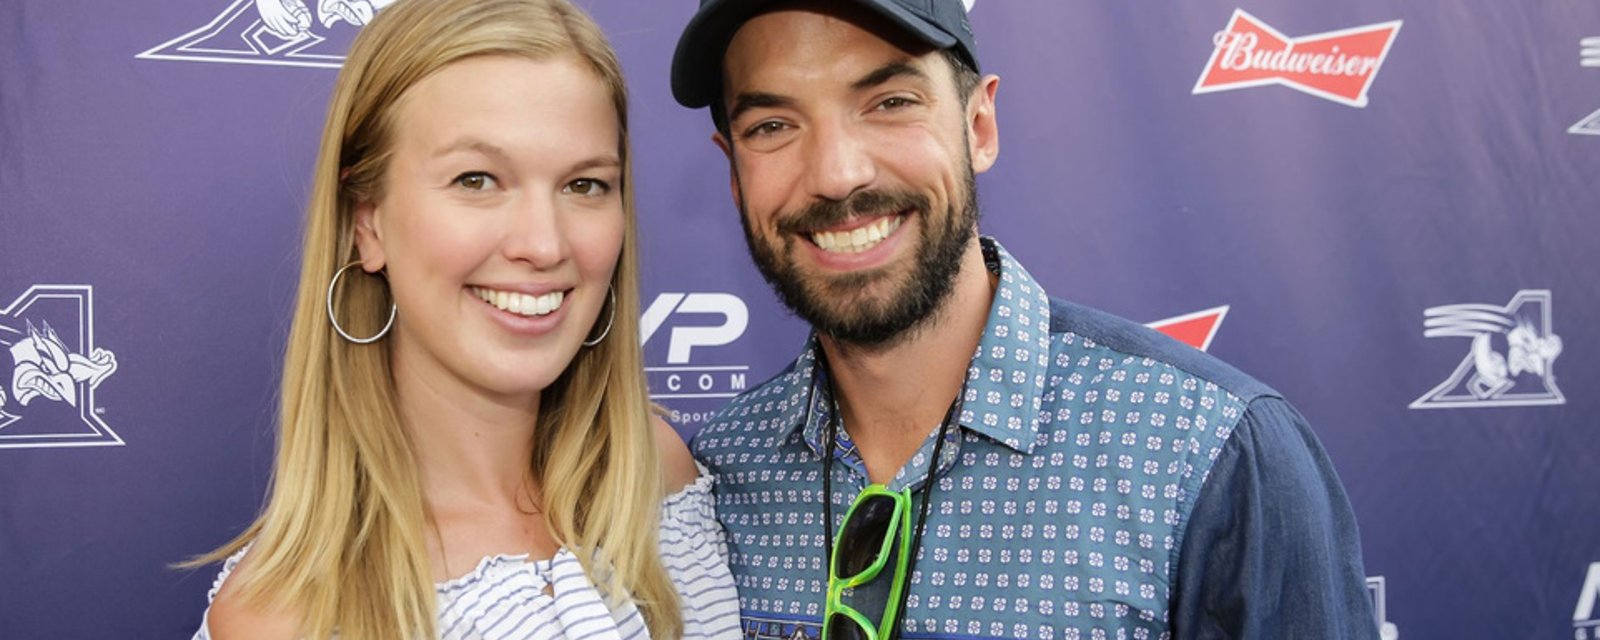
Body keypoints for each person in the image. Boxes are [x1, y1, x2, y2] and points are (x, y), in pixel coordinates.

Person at [670, 1, 1378, 638]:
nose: (836, 173)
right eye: (772, 125)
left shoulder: (1209, 449)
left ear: (979, 125)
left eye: (889, 102)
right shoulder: (714, 475)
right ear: (733, 174)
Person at [187, 0, 740, 637]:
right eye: (476, 179)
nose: (544, 243)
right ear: (368, 222)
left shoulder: (658, 476)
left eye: (584, 185)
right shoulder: (286, 617)